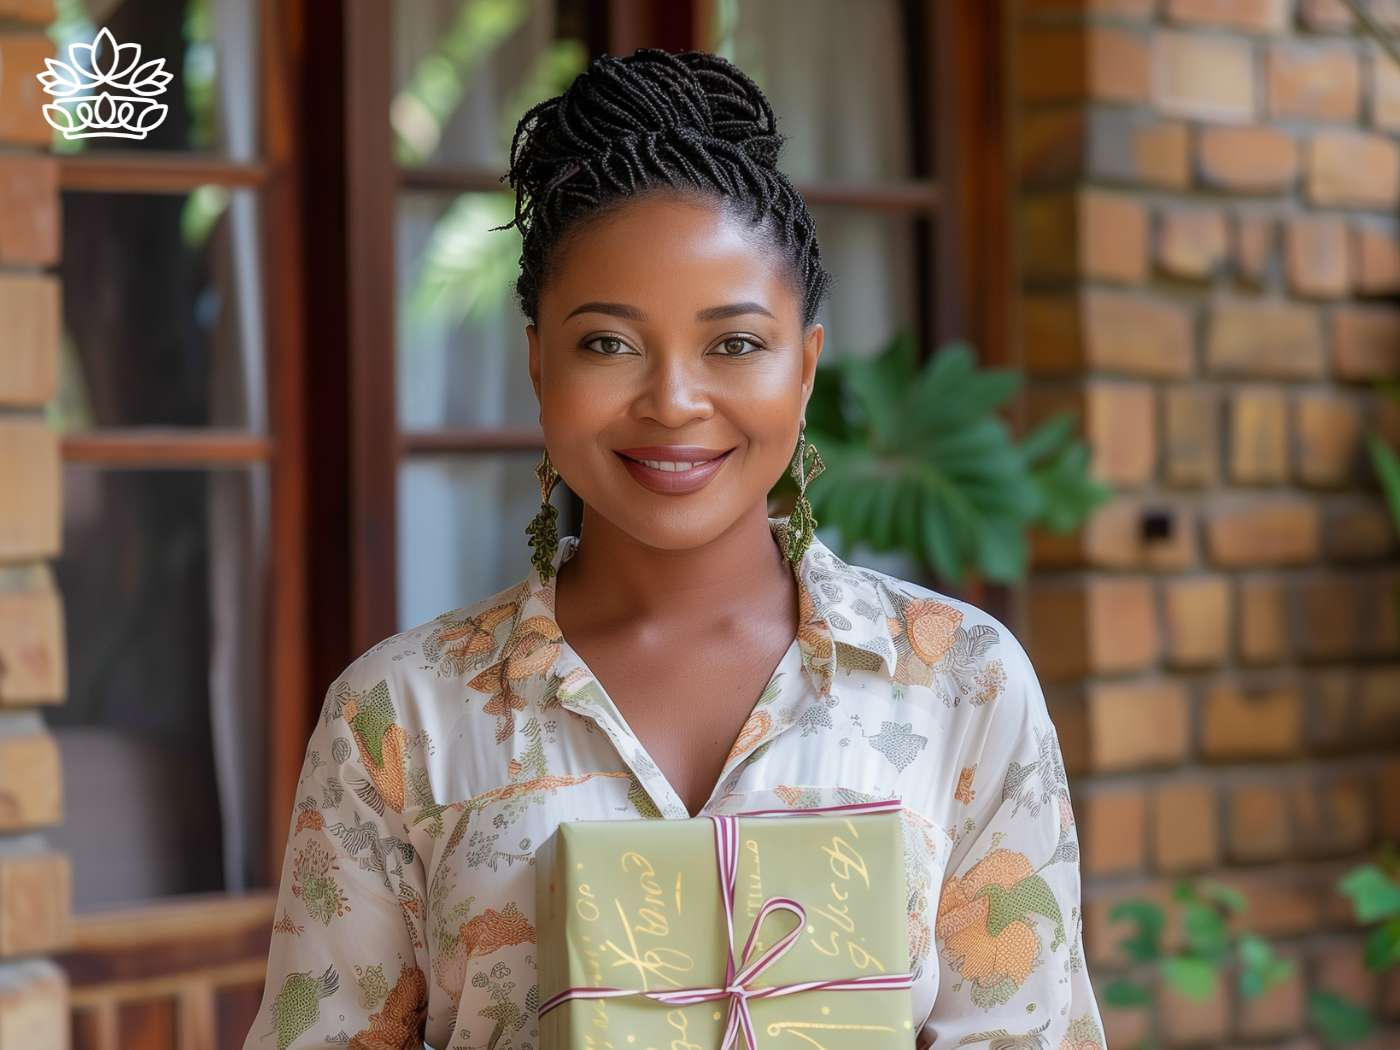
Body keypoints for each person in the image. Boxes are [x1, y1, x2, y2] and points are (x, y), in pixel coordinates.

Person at [242, 47, 1105, 1050]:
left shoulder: (959, 687)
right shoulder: (399, 716)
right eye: (607, 343)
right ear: (537, 363)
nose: (672, 401)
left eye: (733, 343)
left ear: (805, 368)